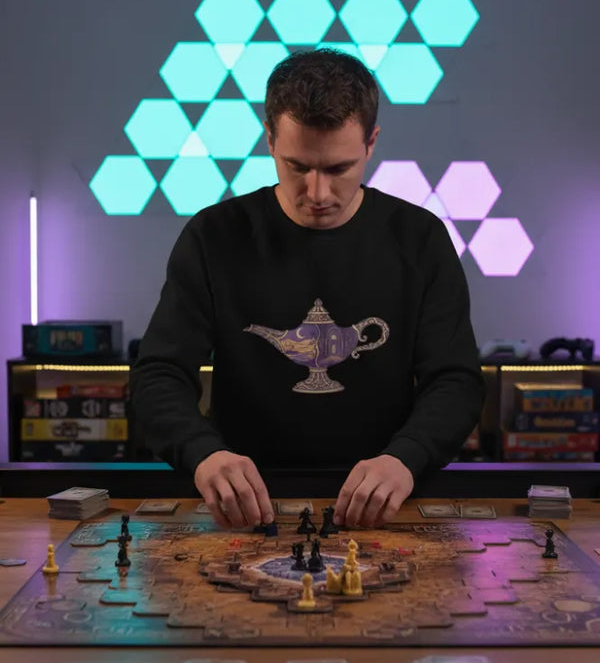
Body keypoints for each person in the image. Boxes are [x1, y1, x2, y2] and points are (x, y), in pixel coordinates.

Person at [131, 50, 484, 531]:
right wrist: (205, 455)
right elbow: (159, 374)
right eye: (297, 166)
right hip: (244, 508)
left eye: (338, 169)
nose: (317, 193)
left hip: (381, 504)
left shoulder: (419, 239)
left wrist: (406, 458)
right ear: (269, 139)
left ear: (371, 143)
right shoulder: (215, 236)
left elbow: (456, 381)